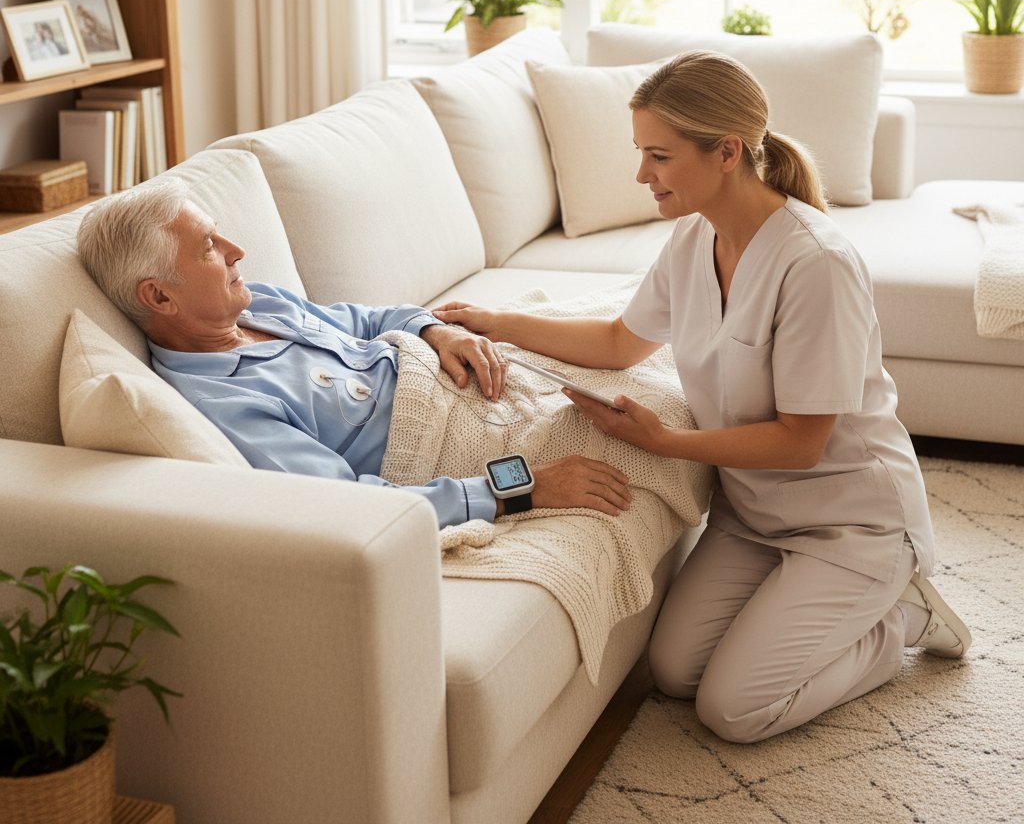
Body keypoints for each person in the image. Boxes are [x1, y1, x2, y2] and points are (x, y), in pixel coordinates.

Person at [432, 49, 971, 744]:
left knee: (735, 709)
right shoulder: (695, 237)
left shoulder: (817, 265)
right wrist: (499, 323)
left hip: (851, 521)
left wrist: (664, 442)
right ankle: (841, 611)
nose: (640, 175)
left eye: (658, 155)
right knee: (675, 672)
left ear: (726, 152)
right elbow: (622, 342)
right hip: (752, 516)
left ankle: (905, 617)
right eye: (639, 153)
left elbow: (801, 442)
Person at [75, 180, 631, 530]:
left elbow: (368, 319)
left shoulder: (255, 303)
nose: (236, 251)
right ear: (159, 296)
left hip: (456, 370)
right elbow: (350, 504)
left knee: (634, 350)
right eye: (208, 248)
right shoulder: (224, 404)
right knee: (638, 425)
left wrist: (439, 334)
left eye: (219, 236)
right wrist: (525, 485)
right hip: (456, 439)